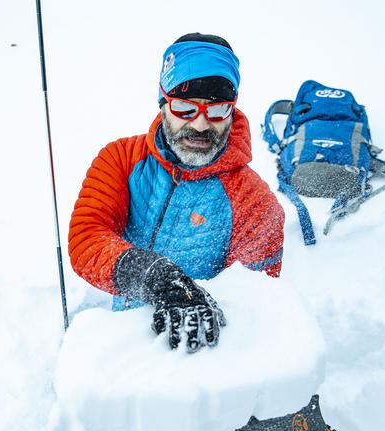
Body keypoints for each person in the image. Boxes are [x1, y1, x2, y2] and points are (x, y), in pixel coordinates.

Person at [68, 33, 284, 353]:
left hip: (204, 357)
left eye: (217, 110)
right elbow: (87, 238)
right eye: (184, 108)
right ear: (163, 102)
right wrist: (155, 277)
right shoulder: (120, 159)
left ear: (232, 110)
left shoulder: (254, 202)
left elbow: (257, 305)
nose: (199, 125)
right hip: (122, 350)